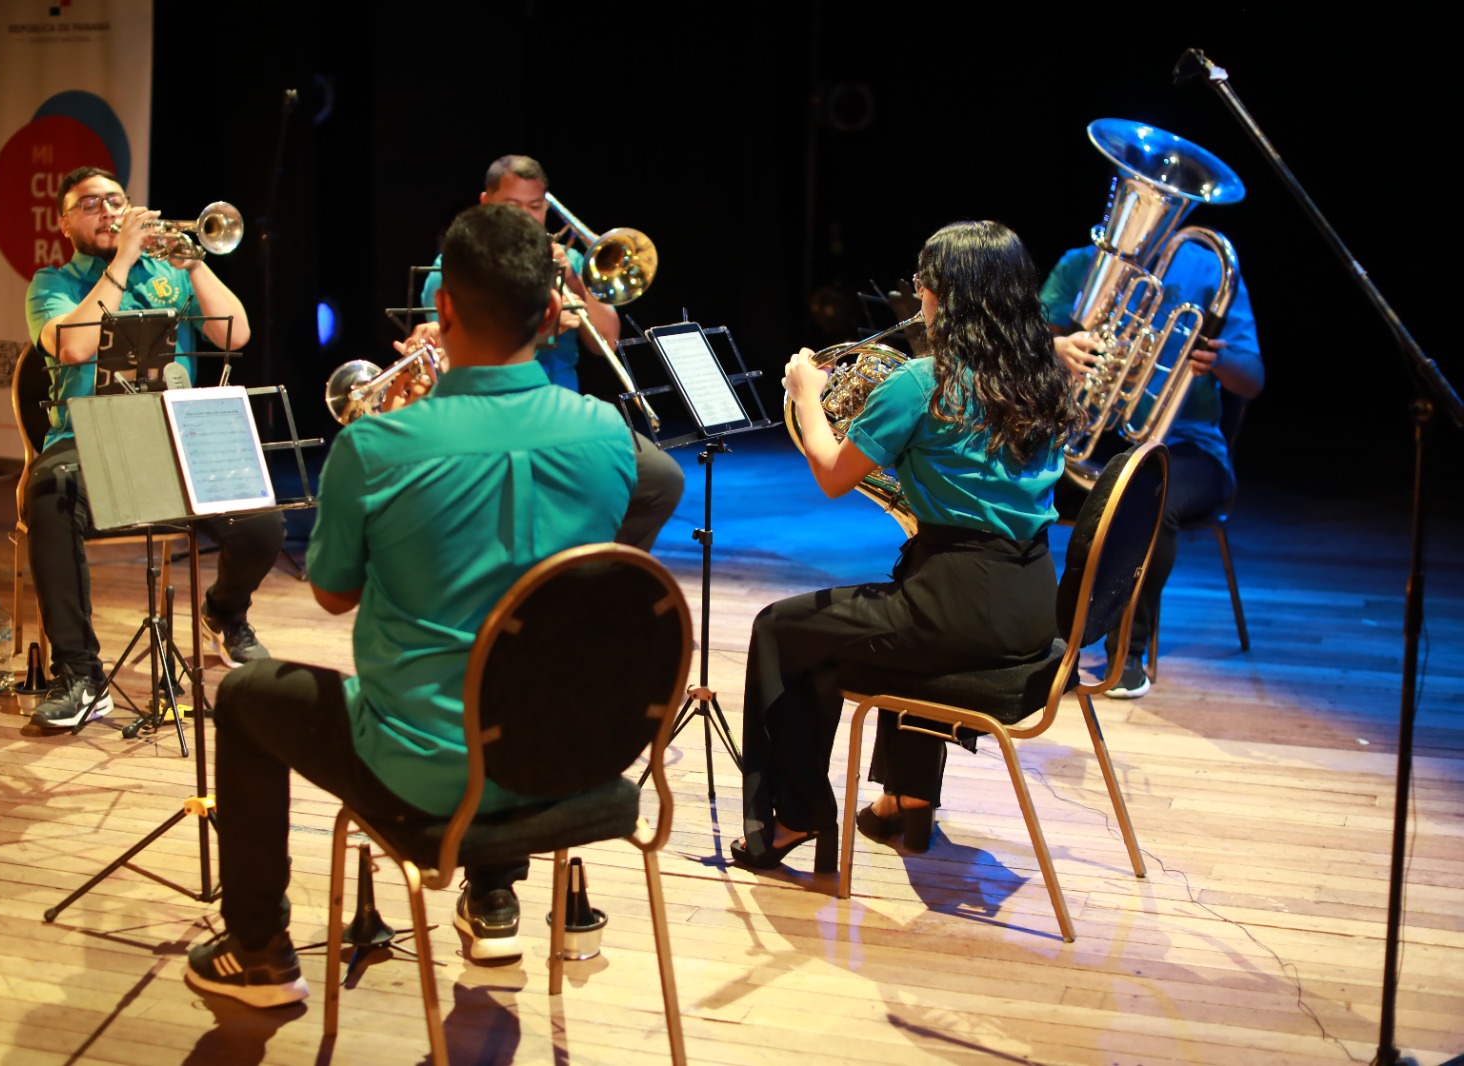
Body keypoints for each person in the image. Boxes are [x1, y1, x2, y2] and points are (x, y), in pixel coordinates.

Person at [184, 204, 637, 1007]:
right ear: (553, 315)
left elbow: (332, 594)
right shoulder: (605, 432)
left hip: (431, 776)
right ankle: (493, 899)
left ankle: (256, 949)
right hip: (576, 757)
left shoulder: (374, 446)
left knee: (248, 693)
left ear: (447, 310)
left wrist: (401, 434)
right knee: (507, 661)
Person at [732, 221, 1079, 868]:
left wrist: (807, 395)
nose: (917, 295)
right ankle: (907, 803)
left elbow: (834, 473)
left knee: (784, 631)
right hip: (1032, 607)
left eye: (923, 284)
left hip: (956, 607)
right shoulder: (1045, 376)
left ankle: (793, 819)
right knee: (856, 630)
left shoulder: (924, 382)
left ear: (945, 294)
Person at [22, 166, 285, 731]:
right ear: (64, 221)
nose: (106, 210)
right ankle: (81, 676)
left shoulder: (171, 274)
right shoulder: (53, 283)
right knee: (49, 496)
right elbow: (71, 348)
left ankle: (225, 611)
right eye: (89, 204)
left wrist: (194, 264)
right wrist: (120, 263)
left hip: (175, 434)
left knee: (264, 523)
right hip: (85, 437)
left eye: (115, 200)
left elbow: (235, 334)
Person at [408, 154, 684, 552]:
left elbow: (605, 340)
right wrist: (541, 330)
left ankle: (606, 572)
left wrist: (572, 279)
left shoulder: (571, 262)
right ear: (486, 204)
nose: (525, 218)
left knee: (662, 478)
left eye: (535, 207)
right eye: (512, 207)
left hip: (566, 415)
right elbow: (447, 362)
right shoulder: (453, 267)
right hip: (489, 417)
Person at [1041, 238, 1263, 698]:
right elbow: (1025, 342)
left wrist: (1218, 360)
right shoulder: (1080, 263)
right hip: (1090, 437)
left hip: (1187, 447)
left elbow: (1252, 378)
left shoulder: (1210, 269)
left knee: (1146, 491)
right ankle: (1047, 642)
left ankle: (1126, 654)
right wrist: (1057, 347)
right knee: (1016, 475)